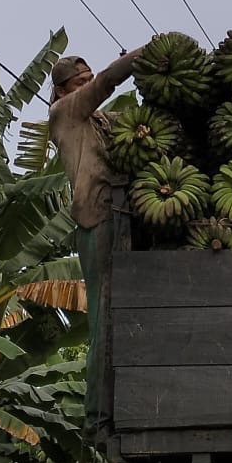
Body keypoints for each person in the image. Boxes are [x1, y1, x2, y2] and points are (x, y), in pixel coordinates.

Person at [48, 47, 142, 432]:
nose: (87, 86)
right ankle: (99, 415)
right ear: (64, 89)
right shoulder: (65, 114)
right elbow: (107, 82)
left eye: (87, 80)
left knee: (127, 313)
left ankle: (124, 404)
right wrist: (139, 57)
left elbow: (138, 124)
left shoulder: (101, 121)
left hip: (123, 216)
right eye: (80, 83)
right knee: (105, 316)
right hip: (98, 219)